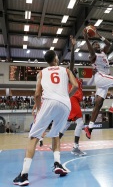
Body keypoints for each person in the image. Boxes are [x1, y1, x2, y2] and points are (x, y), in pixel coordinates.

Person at [13, 50, 78, 186]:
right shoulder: (66, 70)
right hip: (65, 104)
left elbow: (37, 95)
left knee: (33, 137)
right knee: (56, 134)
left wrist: (38, 110)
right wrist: (67, 97)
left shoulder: (41, 73)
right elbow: (76, 86)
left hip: (49, 102)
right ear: (56, 58)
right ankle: (57, 163)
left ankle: (24, 175)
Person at [83, 28, 113, 139]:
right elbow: (91, 50)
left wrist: (98, 34)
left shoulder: (103, 52)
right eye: (94, 44)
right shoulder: (93, 55)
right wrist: (87, 39)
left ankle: (89, 127)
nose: (96, 45)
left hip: (104, 79)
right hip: (100, 77)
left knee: (99, 103)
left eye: (97, 44)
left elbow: (108, 43)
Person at [58, 36, 86, 156]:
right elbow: (72, 61)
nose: (73, 68)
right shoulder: (69, 76)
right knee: (80, 123)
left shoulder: (78, 80)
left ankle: (55, 142)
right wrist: (73, 46)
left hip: (74, 101)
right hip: (72, 99)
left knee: (67, 123)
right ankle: (75, 147)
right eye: (71, 68)